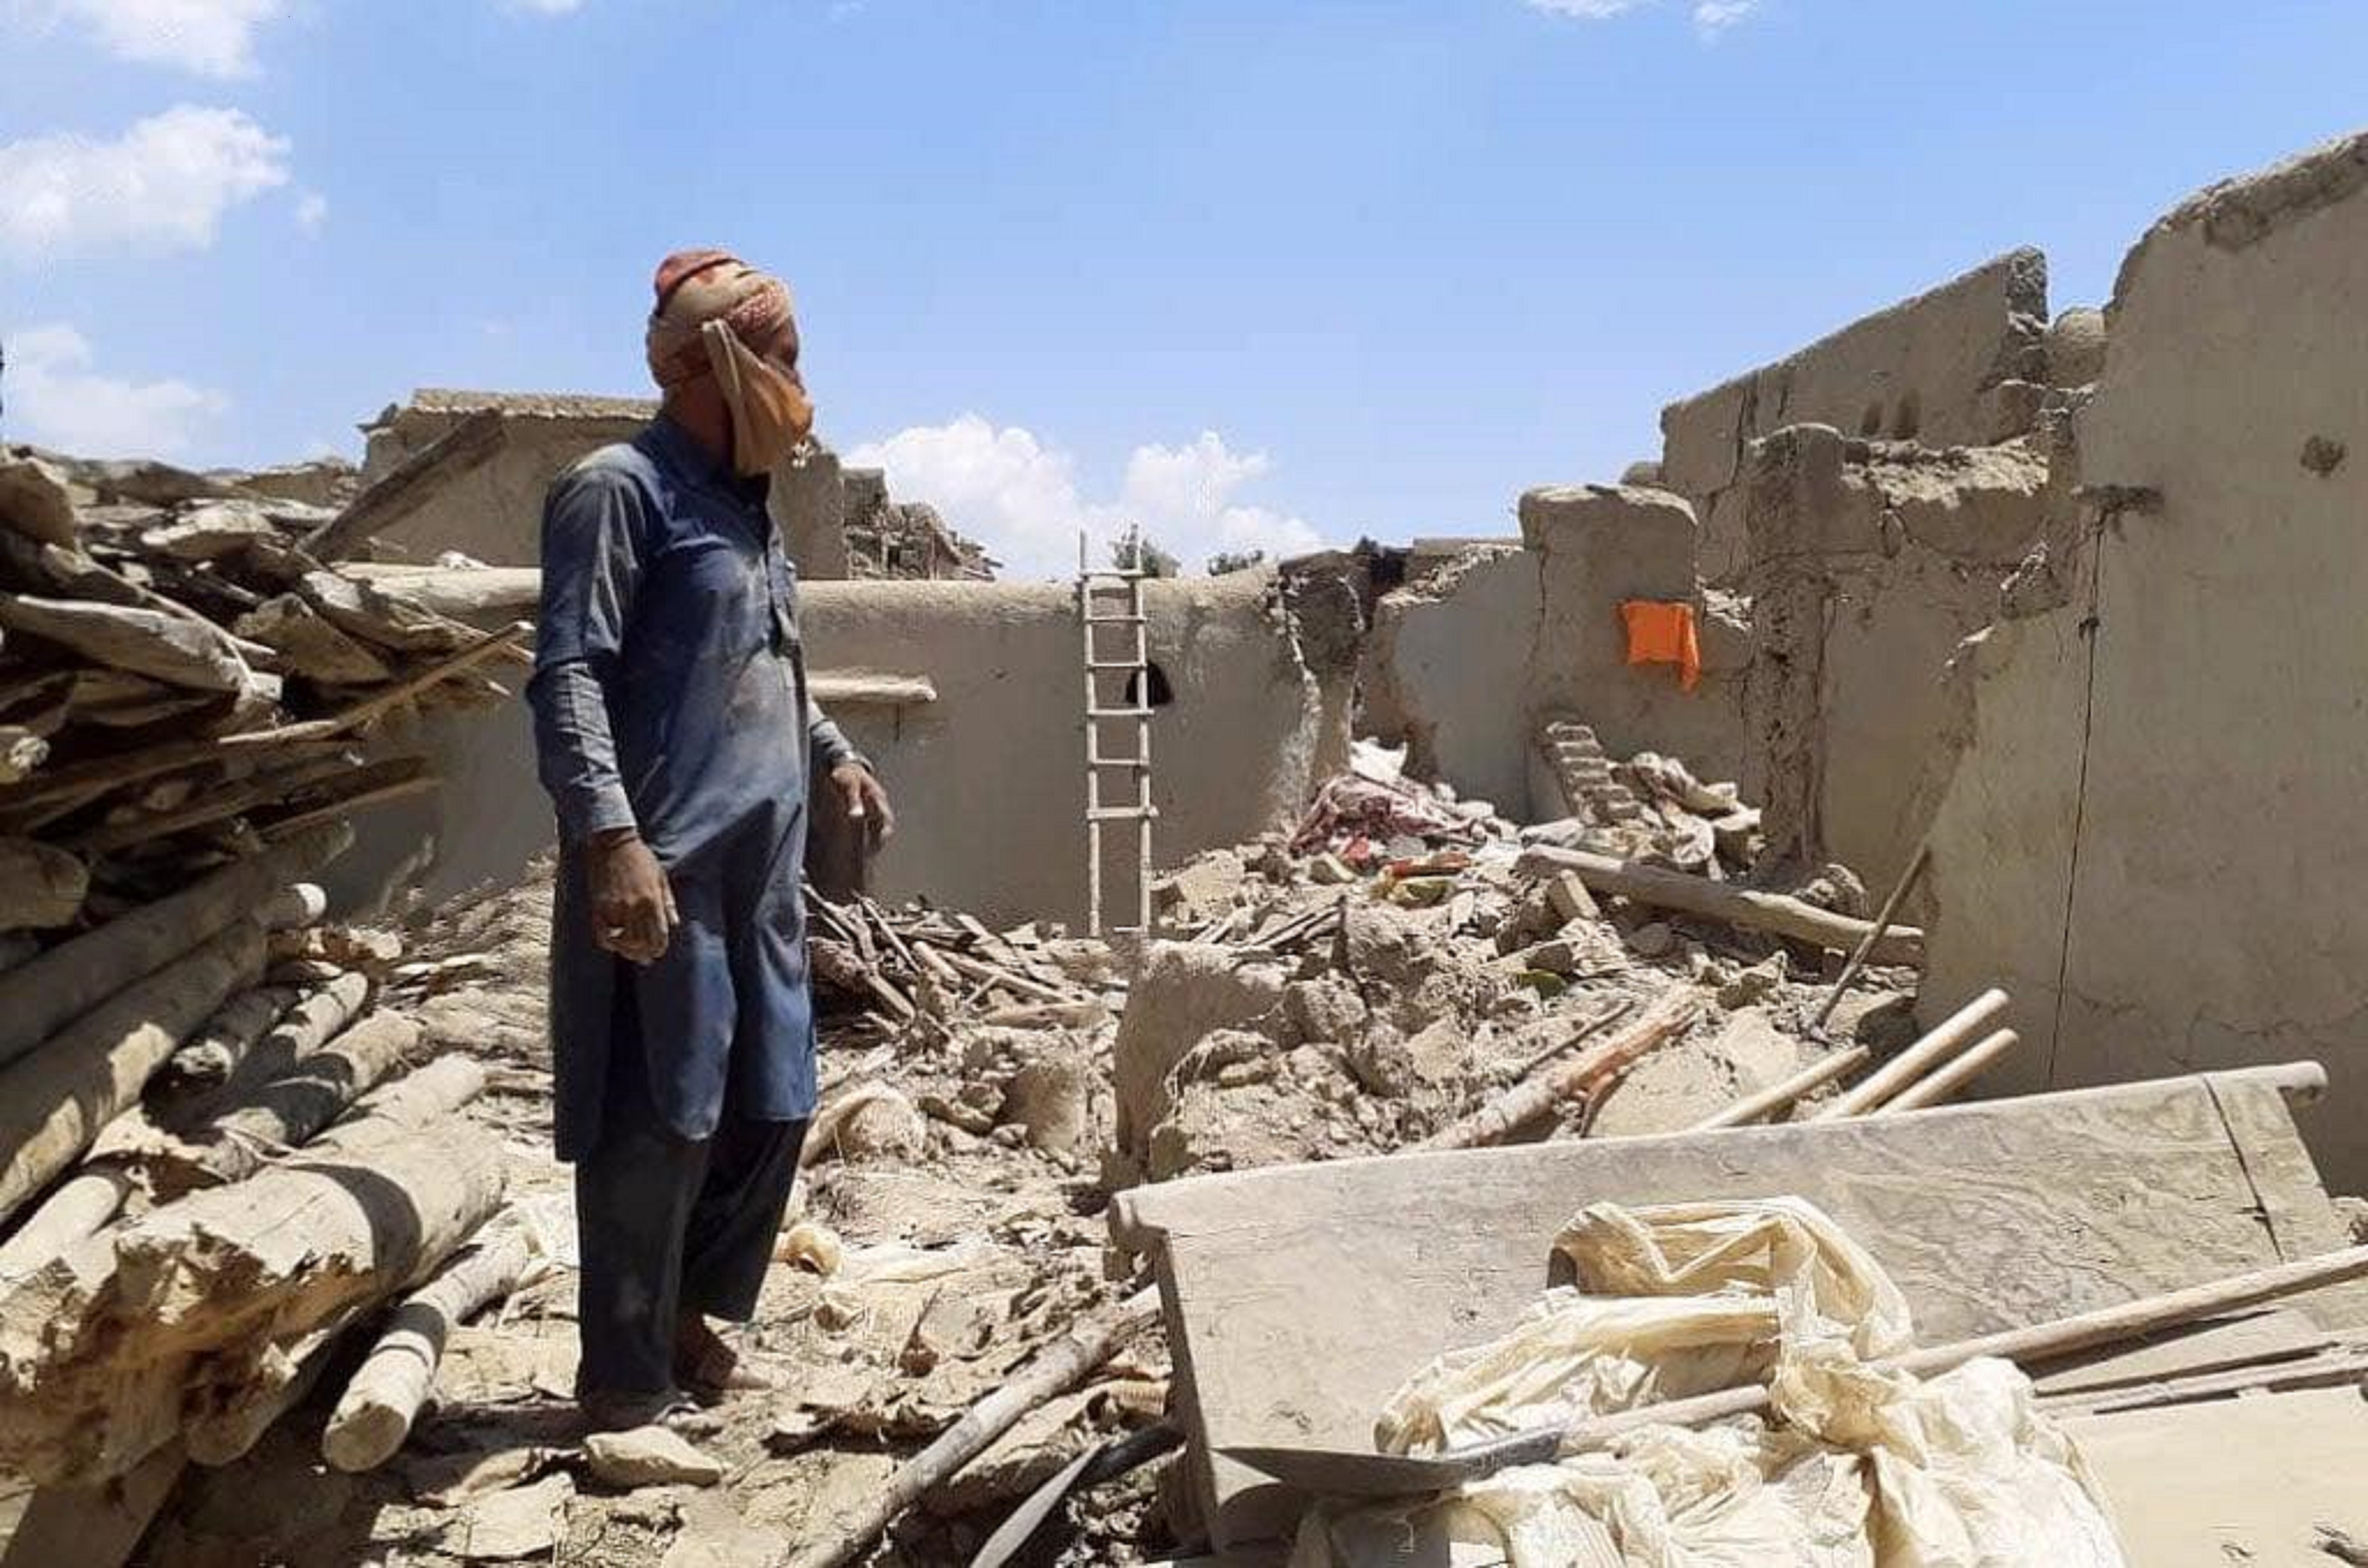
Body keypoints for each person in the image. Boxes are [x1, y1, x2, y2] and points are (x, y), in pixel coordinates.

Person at [526, 249, 894, 1430]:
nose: (802, 384)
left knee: (775, 1103)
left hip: (761, 880)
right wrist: (609, 838)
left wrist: (832, 749)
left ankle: (690, 1318)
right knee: (657, 1120)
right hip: (665, 870)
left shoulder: (747, 510)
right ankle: (625, 1386)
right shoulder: (617, 489)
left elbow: (768, 660)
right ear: (717, 365)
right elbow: (567, 674)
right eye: (784, 358)